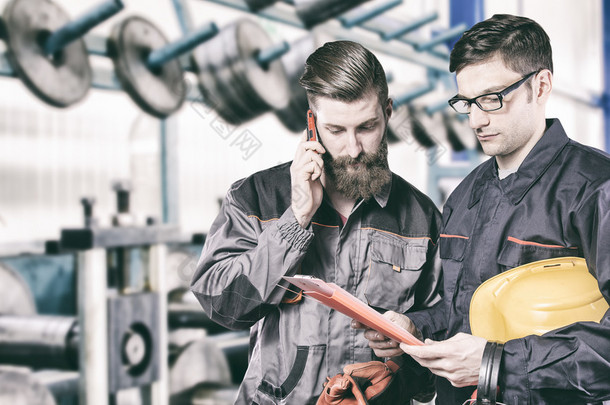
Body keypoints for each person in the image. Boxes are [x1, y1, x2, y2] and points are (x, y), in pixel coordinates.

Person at [357, 14, 610, 404]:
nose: (476, 119)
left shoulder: (595, 188)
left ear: (540, 86)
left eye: (492, 98)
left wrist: (496, 364)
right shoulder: (465, 194)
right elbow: (462, 312)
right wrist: (414, 326)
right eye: (466, 102)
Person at [190, 40, 443, 404]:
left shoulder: (421, 218)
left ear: (388, 113)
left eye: (367, 127)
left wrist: (409, 342)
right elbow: (222, 305)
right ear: (312, 124)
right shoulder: (257, 197)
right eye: (336, 130)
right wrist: (296, 220)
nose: (354, 148)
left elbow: (439, 344)